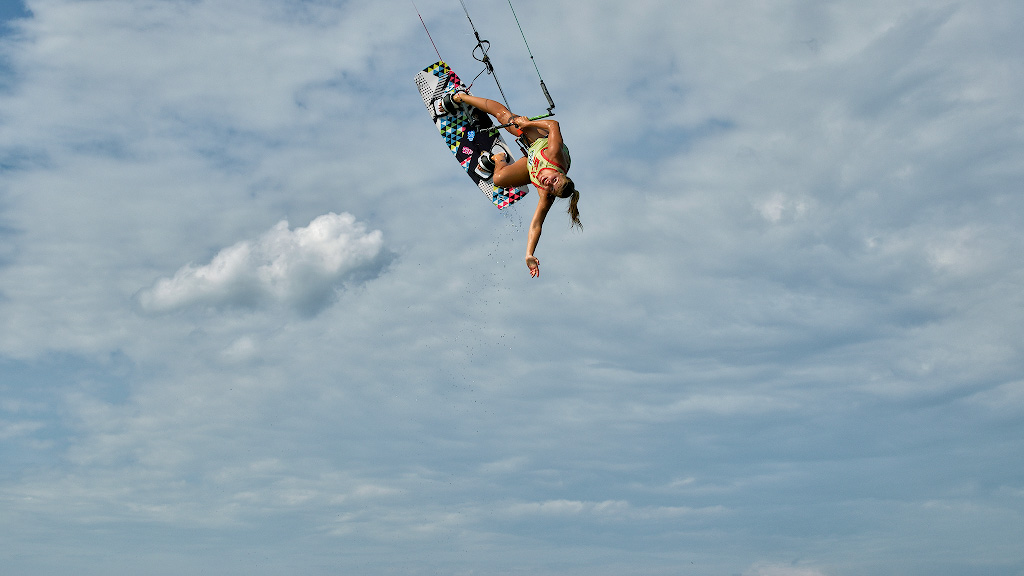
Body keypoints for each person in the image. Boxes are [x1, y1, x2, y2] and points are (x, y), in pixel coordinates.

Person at [437, 91, 581, 278]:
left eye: (551, 188)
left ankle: (497, 158)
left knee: (499, 179)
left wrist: (529, 254)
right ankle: (460, 97)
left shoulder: (545, 194)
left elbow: (536, 224)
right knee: (505, 117)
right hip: (538, 142)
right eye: (554, 180)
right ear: (559, 173)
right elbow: (554, 124)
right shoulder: (554, 153)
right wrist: (527, 124)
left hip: (531, 164)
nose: (548, 183)